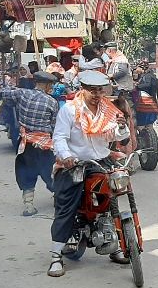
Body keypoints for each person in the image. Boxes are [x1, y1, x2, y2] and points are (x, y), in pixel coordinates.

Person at [47, 69, 131, 277]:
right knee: (66, 205)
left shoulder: (108, 110)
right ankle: (56, 255)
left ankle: (117, 245)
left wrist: (121, 128)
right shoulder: (69, 110)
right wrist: (66, 156)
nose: (96, 94)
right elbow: (59, 138)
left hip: (101, 160)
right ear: (82, 89)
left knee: (115, 197)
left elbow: (116, 134)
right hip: (75, 162)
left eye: (99, 90)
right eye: (91, 90)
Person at [0, 71, 60, 216]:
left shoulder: (23, 94)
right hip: (44, 144)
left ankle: (28, 206)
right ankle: (59, 200)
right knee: (51, 173)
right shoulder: (52, 102)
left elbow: (1, 92)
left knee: (26, 174)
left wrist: (9, 88)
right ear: (48, 85)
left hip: (25, 143)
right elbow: (54, 125)